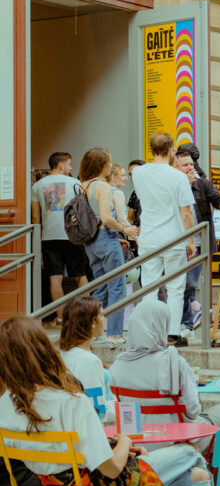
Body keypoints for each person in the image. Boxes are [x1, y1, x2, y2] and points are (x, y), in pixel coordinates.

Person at [0, 317, 174, 486]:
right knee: (173, 463)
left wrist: (114, 446)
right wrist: (125, 441)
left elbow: (64, 452)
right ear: (45, 350)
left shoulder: (6, 403)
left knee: (134, 467)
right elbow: (113, 470)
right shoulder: (70, 402)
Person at [108, 300, 220, 486]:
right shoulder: (174, 362)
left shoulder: (119, 365)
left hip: (137, 442)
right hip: (179, 437)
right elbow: (192, 411)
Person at [132, 134, 195, 346]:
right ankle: (172, 333)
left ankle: (150, 331)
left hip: (149, 237)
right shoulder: (178, 177)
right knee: (175, 287)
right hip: (174, 238)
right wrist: (191, 240)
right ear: (171, 152)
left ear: (151, 150)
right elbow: (186, 213)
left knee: (149, 285)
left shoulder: (139, 173)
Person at [78, 148, 137, 346]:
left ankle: (94, 333)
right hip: (106, 235)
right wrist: (124, 230)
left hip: (91, 241)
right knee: (118, 286)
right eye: (108, 164)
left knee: (100, 288)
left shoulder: (83, 186)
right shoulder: (102, 186)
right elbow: (105, 217)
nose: (110, 167)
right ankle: (114, 334)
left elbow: (91, 217)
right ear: (101, 165)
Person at [175, 146, 220, 332]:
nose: (190, 167)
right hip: (176, 242)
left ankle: (186, 322)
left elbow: (218, 199)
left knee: (189, 283)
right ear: (176, 166)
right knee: (178, 284)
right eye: (185, 165)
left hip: (197, 243)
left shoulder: (202, 184)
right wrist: (183, 184)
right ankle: (187, 317)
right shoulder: (172, 185)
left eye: (191, 164)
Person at [31, 152, 89, 318]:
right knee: (80, 275)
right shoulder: (75, 183)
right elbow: (82, 211)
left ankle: (60, 317)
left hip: (49, 236)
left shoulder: (37, 186)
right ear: (61, 165)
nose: (71, 168)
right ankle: (87, 316)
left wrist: (39, 243)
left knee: (55, 278)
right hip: (72, 235)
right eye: (69, 164)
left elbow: (36, 218)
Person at [57, 296, 114, 419]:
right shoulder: (89, 361)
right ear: (92, 322)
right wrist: (121, 406)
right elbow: (97, 409)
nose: (104, 319)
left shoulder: (62, 354)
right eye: (101, 315)